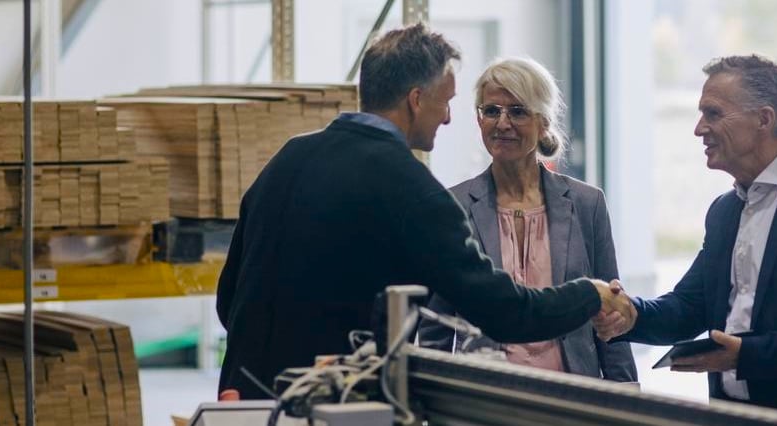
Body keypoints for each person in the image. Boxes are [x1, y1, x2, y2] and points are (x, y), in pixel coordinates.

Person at [215, 23, 630, 398]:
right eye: (446, 101)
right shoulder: (412, 189)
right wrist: (587, 293)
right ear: (416, 100)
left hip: (246, 398)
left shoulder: (288, 158)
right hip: (332, 403)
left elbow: (228, 296)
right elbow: (505, 312)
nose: (448, 118)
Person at [595, 55, 777, 424]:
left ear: (764, 119)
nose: (699, 129)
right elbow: (689, 307)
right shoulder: (724, 211)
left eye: (713, 114)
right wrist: (630, 314)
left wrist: (748, 355)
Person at [417, 58, 637, 382]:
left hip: (572, 396)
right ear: (479, 120)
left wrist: (628, 400)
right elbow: (436, 327)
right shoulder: (453, 206)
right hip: (486, 400)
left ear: (544, 121)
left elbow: (612, 319)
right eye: (491, 111)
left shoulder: (587, 204)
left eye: (518, 111)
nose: (502, 123)